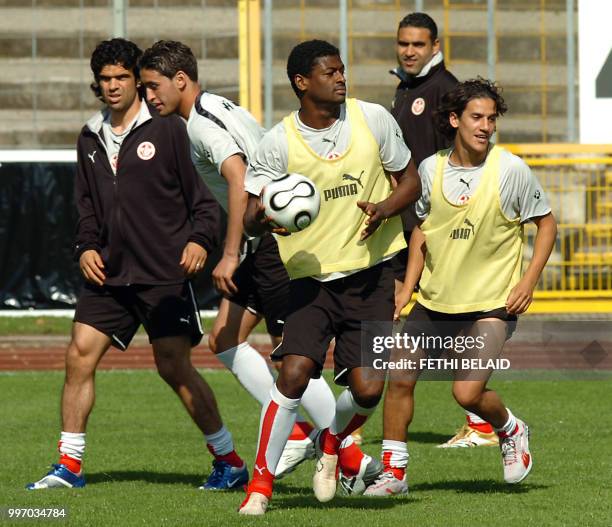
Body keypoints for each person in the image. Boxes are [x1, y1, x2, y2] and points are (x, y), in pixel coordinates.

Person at [26, 38, 248, 491]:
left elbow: (205, 197)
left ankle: (228, 460)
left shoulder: (169, 129)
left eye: (122, 77)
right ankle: (69, 465)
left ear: (137, 81)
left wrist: (200, 240)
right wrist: (86, 246)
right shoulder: (89, 135)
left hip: (164, 274)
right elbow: (85, 205)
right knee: (78, 356)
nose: (113, 86)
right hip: (108, 274)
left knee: (174, 367)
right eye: (105, 79)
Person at [138, 40, 341, 478]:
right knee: (225, 339)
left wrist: (229, 254)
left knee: (294, 358)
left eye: (153, 86)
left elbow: (237, 179)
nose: (149, 97)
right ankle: (299, 437)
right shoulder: (216, 106)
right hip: (265, 233)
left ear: (180, 80)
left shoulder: (201, 126)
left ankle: (346, 450)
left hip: (270, 239)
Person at [238, 39, 421, 515]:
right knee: (295, 373)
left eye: (342, 70)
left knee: (367, 390)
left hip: (372, 275)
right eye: (329, 72)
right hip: (310, 282)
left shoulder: (373, 118)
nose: (341, 78)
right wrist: (265, 220)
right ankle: (260, 487)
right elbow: (251, 217)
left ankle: (331, 443)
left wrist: (383, 209)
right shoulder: (278, 142)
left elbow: (411, 181)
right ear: (302, 82)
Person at [364, 78, 557, 496]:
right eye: (476, 117)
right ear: (454, 120)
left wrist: (529, 279)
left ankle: (510, 427)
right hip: (435, 301)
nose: (485, 126)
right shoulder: (431, 169)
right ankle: (394, 474)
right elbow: (421, 233)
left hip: (491, 304)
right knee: (397, 379)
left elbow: (546, 223)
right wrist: (407, 287)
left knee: (467, 393)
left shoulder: (509, 170)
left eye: (491, 118)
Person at [389, 12, 499, 452]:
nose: (410, 51)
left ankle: (483, 422)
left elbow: (459, 159)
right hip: (410, 223)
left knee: (454, 320)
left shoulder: (443, 90)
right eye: (404, 43)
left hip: (439, 225)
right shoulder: (406, 88)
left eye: (419, 44)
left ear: (436, 46)